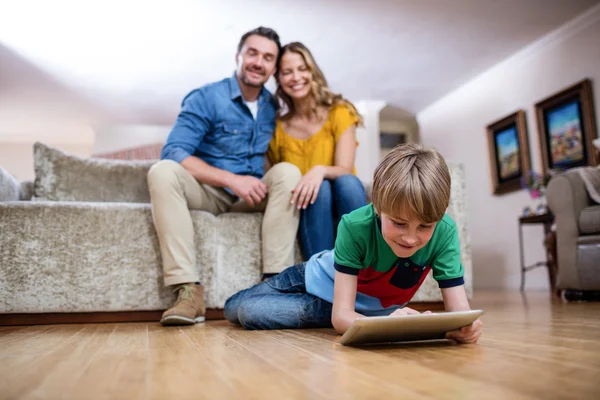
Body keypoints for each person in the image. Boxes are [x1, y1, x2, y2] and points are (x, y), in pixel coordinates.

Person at [224, 143, 483, 344]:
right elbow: (342, 317)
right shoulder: (355, 224)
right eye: (399, 223)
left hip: (344, 310)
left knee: (250, 312)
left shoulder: (444, 231)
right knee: (236, 309)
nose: (410, 238)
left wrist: (462, 326)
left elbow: (458, 309)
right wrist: (383, 324)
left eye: (425, 226)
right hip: (314, 279)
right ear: (379, 208)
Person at [148, 27, 302, 326]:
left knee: (288, 172)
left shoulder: (272, 107)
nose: (259, 62)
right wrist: (232, 180)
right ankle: (187, 291)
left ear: (274, 67)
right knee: (162, 171)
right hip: (207, 192)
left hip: (251, 197)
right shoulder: (207, 97)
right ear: (238, 56)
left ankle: (275, 285)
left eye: (268, 57)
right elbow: (174, 151)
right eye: (252, 53)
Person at [267, 42, 367, 260]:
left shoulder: (340, 111)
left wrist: (319, 170)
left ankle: (360, 267)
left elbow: (345, 169)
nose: (296, 77)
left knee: (347, 182)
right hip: (310, 207)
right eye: (287, 72)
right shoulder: (276, 128)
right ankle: (323, 275)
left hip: (345, 198)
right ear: (279, 80)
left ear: (313, 71)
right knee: (319, 190)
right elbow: (274, 180)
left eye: (302, 69)